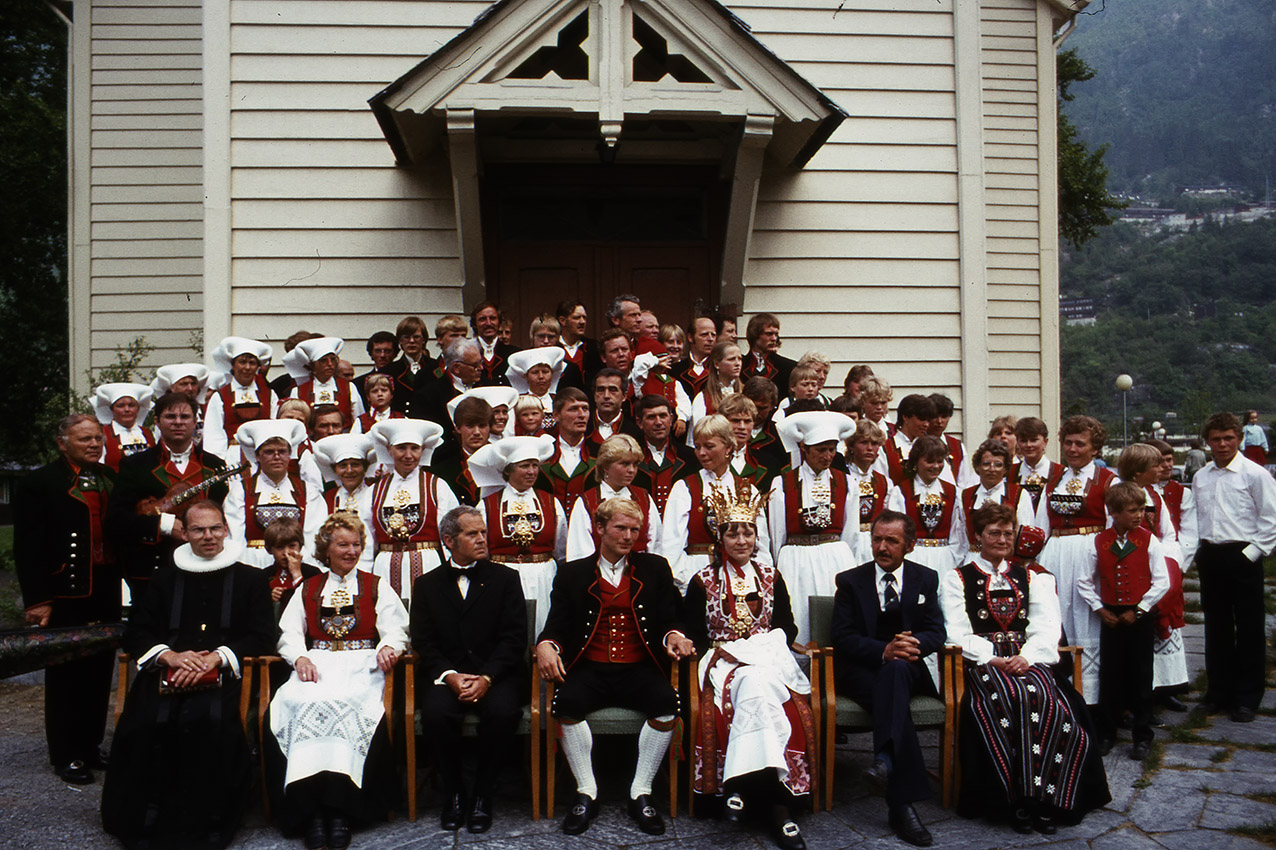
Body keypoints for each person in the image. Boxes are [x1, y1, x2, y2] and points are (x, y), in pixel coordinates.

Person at [102, 500, 274, 849]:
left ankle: (207, 824)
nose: (208, 536)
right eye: (198, 529)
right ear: (185, 533)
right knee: (148, 723)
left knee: (207, 723)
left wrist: (216, 659)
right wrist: (170, 656)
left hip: (224, 674)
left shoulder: (252, 579)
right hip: (168, 671)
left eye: (214, 528)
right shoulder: (163, 578)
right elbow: (137, 632)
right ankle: (145, 821)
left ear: (226, 529)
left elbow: (261, 636)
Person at [942, 503, 1109, 832]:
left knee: (1048, 701)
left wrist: (1027, 657)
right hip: (984, 662)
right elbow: (957, 630)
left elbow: (1047, 627)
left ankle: (1047, 799)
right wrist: (992, 657)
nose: (1002, 539)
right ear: (978, 536)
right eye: (994, 533)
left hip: (1027, 657)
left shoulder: (1030, 577)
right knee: (1006, 699)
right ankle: (1015, 801)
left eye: (1008, 533)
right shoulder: (957, 578)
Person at [535, 497, 696, 836]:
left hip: (640, 667)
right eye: (620, 528)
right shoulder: (572, 573)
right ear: (600, 528)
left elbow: (671, 618)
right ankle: (587, 790)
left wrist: (676, 636)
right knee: (566, 704)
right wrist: (546, 645)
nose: (628, 536)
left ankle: (641, 791)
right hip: (589, 668)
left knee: (667, 703)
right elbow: (557, 626)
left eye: (634, 530)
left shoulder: (654, 569)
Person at [269, 513, 409, 850]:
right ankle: (311, 813)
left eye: (356, 544)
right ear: (326, 550)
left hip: (363, 665)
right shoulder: (309, 587)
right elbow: (289, 633)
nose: (350, 551)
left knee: (350, 704)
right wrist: (299, 656)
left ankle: (341, 811)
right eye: (342, 545)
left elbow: (396, 628)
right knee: (298, 702)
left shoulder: (376, 585)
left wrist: (389, 647)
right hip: (317, 662)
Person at [683, 485, 811, 850]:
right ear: (719, 537)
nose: (741, 539)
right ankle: (779, 807)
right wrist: (728, 653)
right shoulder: (702, 581)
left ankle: (739, 786)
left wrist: (755, 650)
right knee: (755, 686)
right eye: (732, 532)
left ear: (757, 536)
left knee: (759, 685)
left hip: (767, 660)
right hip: (722, 664)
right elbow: (695, 634)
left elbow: (787, 628)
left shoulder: (771, 577)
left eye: (748, 531)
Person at [15, 414, 121, 785]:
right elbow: (27, 547)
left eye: (97, 439)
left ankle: (90, 747)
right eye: (85, 440)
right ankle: (66, 753)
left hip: (105, 590)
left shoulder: (110, 479)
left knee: (98, 672)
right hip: (64, 593)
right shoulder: (39, 482)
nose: (94, 445)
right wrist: (39, 600)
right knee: (65, 675)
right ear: (63, 443)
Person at [410, 506, 528, 833]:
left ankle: (482, 795)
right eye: (471, 534)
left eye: (483, 532)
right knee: (436, 715)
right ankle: (455, 793)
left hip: (496, 674)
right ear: (449, 540)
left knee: (503, 713)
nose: (481, 539)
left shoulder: (506, 579)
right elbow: (423, 640)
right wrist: (449, 676)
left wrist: (488, 677)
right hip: (447, 675)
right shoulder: (427, 585)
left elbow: (514, 638)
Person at [832, 511, 945, 848]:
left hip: (908, 669)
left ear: (909, 545)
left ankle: (884, 762)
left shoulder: (926, 578)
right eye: (877, 539)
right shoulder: (850, 581)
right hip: (861, 672)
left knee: (896, 672)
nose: (881, 547)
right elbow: (842, 636)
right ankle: (901, 804)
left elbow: (936, 630)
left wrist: (916, 645)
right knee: (891, 678)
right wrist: (885, 650)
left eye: (891, 541)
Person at [1192, 412, 1276, 722]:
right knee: (1217, 627)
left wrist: (1252, 553)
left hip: (1243, 555)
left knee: (1250, 627)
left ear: (1239, 439)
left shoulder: (1255, 475)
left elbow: (1271, 519)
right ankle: (1218, 693)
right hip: (1212, 555)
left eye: (1229, 438)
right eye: (1216, 439)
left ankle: (1247, 697)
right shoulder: (1202, 476)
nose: (1223, 444)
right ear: (1208, 442)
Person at [1077, 482, 1171, 757]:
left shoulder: (1148, 540)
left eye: (1142, 508)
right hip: (1110, 616)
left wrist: (1140, 609)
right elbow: (1084, 581)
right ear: (1113, 512)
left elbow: (1161, 581)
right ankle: (1107, 732)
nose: (1139, 515)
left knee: (1141, 675)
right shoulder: (1098, 541)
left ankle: (1142, 735)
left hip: (1139, 616)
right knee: (1111, 675)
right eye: (1132, 510)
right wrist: (1099, 609)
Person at [108, 391, 230, 594]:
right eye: (170, 416)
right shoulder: (135, 465)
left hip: (207, 565)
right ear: (157, 421)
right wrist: (163, 525)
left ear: (195, 421)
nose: (178, 422)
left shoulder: (215, 465)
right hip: (153, 571)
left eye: (185, 417)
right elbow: (117, 520)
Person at [1034, 415, 1116, 701]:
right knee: (1057, 615)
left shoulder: (1107, 480)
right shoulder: (1054, 478)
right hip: (1055, 551)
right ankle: (1059, 690)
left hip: (1088, 554)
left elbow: (1112, 527)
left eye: (1080, 444)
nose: (1072, 449)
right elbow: (1040, 523)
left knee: (1086, 617)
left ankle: (1091, 696)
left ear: (1095, 449)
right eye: (1068, 443)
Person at [769, 411, 859, 644]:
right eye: (821, 449)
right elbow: (777, 532)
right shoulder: (783, 482)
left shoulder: (847, 482)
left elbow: (851, 532)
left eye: (832, 449)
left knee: (836, 617)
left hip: (834, 557)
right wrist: (782, 561)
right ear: (804, 449)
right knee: (799, 616)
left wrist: (845, 559)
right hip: (796, 559)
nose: (828, 456)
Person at [468, 434, 567, 635]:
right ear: (509, 470)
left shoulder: (551, 502)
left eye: (535, 466)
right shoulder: (487, 505)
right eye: (524, 466)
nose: (531, 471)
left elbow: (561, 547)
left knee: (543, 629)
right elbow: (480, 549)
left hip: (543, 577)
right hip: (501, 576)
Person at [662, 414, 773, 592]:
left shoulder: (747, 490)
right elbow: (671, 544)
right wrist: (683, 582)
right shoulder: (685, 487)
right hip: (696, 574)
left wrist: (758, 579)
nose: (701, 453)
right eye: (697, 447)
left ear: (728, 447)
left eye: (709, 446)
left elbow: (760, 544)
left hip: (739, 576)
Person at [366, 418, 458, 599]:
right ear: (389, 450)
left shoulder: (437, 486)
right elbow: (366, 538)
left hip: (428, 564)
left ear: (422, 451)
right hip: (385, 565)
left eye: (414, 448)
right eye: (401, 448)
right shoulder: (374, 491)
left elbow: (451, 534)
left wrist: (451, 571)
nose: (408, 455)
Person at [223, 419, 326, 569]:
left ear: (290, 455)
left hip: (298, 563)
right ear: (257, 456)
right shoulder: (241, 490)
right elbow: (235, 539)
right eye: (269, 452)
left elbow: (312, 539)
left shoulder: (307, 491)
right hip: (252, 564)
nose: (277, 457)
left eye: (282, 451)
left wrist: (300, 568)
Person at [1146, 438, 1198, 712]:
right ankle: (1148, 687)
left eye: (1169, 460)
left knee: (1167, 627)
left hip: (1171, 561)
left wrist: (1177, 562)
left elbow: (1188, 532)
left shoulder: (1180, 492)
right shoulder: (1139, 491)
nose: (1165, 465)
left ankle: (1169, 686)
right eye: (1159, 460)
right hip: (1145, 564)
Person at [567, 434, 662, 559]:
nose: (632, 470)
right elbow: (579, 552)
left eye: (635, 465)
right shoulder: (587, 501)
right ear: (605, 466)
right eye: (625, 464)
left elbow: (656, 543)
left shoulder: (644, 498)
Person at [897, 435, 967, 582]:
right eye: (930, 461)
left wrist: (953, 558)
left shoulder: (953, 492)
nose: (936, 466)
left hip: (945, 559)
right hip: (913, 557)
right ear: (916, 461)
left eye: (940, 461)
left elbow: (958, 530)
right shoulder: (901, 492)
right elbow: (898, 531)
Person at [203, 336, 276, 460]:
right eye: (242, 362)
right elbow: (214, 433)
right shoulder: (220, 396)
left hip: (264, 456)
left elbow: (275, 425)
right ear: (233, 365)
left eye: (252, 363)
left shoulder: (269, 394)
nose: (247, 368)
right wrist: (220, 460)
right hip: (233, 456)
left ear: (257, 367)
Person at [845, 418, 905, 565]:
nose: (870, 448)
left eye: (875, 443)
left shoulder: (884, 482)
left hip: (875, 543)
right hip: (847, 541)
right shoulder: (841, 477)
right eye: (864, 442)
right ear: (852, 445)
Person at [960, 439, 1037, 552]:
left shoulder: (1018, 494)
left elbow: (1023, 534)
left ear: (1005, 469)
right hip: (973, 558)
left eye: (998, 465)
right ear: (977, 467)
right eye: (986, 464)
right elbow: (961, 534)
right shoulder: (967, 495)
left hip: (1006, 560)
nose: (992, 469)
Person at [313, 432, 377, 566]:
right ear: (335, 470)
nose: (349, 470)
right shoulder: (328, 498)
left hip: (372, 564)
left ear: (365, 468)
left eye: (355, 464)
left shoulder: (376, 494)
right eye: (343, 466)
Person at [633, 393, 700, 516]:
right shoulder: (630, 458)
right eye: (651, 417)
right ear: (639, 422)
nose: (658, 422)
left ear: (671, 419)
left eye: (663, 416)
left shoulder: (691, 457)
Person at [286, 336, 366, 429]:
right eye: (323, 361)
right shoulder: (298, 391)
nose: (330, 364)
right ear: (312, 365)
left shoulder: (349, 387)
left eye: (333, 359)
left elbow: (358, 420)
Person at [539, 387, 596, 516]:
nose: (581, 415)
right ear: (556, 415)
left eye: (585, 408)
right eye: (573, 409)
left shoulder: (598, 452)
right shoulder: (544, 453)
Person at [415, 337, 484, 429]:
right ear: (456, 368)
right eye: (475, 365)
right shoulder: (429, 396)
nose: (481, 368)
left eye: (481, 362)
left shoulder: (488, 386)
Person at [263, 516, 321, 616]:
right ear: (269, 549)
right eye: (279, 547)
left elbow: (315, 605)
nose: (286, 553)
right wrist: (268, 598)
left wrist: (297, 574)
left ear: (301, 546)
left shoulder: (313, 574)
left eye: (292, 546)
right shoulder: (263, 576)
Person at [93, 382, 156, 472]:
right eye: (120, 406)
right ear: (112, 410)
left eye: (131, 405)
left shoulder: (147, 433)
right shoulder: (103, 434)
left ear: (137, 409)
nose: (127, 409)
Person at [878, 394, 937, 487]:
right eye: (921, 419)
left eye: (928, 420)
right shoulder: (885, 448)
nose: (926, 424)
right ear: (905, 417)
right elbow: (881, 484)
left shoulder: (932, 447)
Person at [688, 340, 744, 435]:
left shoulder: (745, 393)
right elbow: (695, 436)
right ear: (717, 364)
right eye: (731, 359)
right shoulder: (703, 398)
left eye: (739, 359)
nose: (737, 363)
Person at [508, 346, 567, 432]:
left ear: (552, 375)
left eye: (545, 372)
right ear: (526, 376)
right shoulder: (518, 402)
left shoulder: (559, 400)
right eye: (535, 372)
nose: (541, 377)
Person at [1009, 416, 1059, 512]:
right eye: (1023, 441)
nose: (1028, 445)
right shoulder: (1009, 472)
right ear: (1017, 443)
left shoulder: (1060, 472)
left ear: (1045, 442)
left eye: (1034, 440)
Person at [385, 316, 432, 417]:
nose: (411, 341)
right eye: (406, 337)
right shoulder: (388, 371)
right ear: (400, 341)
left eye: (416, 337)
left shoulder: (435, 368)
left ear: (424, 340)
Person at [586, 368, 643, 451]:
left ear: (624, 396)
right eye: (601, 390)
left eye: (613, 390)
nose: (606, 396)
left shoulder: (635, 433)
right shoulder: (582, 427)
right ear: (594, 395)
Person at [742, 313, 796, 400]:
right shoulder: (740, 366)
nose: (774, 338)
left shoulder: (789, 367)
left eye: (776, 334)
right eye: (769, 334)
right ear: (755, 335)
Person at [927, 393, 976, 488]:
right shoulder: (917, 444)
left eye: (944, 416)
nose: (939, 421)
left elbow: (963, 482)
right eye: (935, 416)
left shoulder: (957, 446)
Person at [471, 300, 520, 386]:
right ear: (475, 324)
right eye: (482, 319)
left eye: (492, 318)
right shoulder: (467, 354)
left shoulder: (514, 354)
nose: (488, 323)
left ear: (499, 322)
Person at [556, 299, 601, 387]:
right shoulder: (553, 348)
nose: (582, 322)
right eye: (577, 318)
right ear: (562, 321)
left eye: (584, 317)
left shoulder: (594, 347)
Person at [671, 314, 717, 399]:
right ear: (690, 338)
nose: (710, 339)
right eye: (704, 334)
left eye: (713, 335)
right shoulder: (674, 370)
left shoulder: (719, 369)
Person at [352, 330, 397, 406]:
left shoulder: (401, 381)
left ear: (395, 354)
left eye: (387, 351)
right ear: (371, 354)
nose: (382, 355)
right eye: (378, 351)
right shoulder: (358, 384)